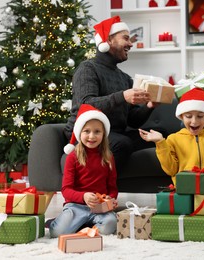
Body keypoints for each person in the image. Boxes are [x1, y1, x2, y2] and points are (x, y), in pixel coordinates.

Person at [64, 16, 159, 174]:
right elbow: (85, 104)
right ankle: (97, 190)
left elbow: (133, 120)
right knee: (122, 144)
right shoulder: (87, 68)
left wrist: (150, 106)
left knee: (158, 137)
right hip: (87, 132)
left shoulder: (123, 77)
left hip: (114, 132)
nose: (130, 44)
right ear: (108, 40)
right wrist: (123, 96)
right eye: (126, 38)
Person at [49, 104, 118, 238]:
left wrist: (111, 198)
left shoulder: (108, 157)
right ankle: (62, 221)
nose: (91, 136)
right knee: (56, 232)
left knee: (110, 224)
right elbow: (66, 190)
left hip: (99, 207)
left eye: (97, 131)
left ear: (103, 134)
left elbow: (112, 187)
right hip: (76, 206)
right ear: (80, 133)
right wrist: (83, 196)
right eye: (87, 131)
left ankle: (82, 225)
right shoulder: (72, 157)